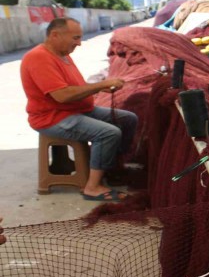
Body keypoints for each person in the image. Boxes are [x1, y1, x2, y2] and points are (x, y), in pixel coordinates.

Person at [20, 17, 138, 201]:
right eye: (75, 38)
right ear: (55, 35)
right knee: (108, 133)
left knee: (128, 119)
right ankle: (92, 187)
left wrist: (100, 86)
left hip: (75, 110)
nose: (79, 43)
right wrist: (100, 85)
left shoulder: (63, 54)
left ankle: (112, 168)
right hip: (52, 118)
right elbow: (63, 95)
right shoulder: (39, 57)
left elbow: (76, 85)